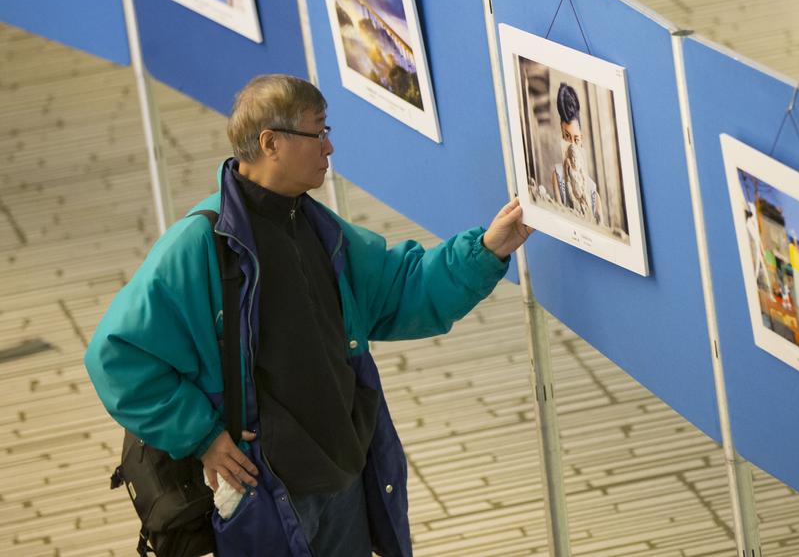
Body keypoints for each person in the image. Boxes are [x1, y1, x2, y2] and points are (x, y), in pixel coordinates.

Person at [84, 74, 532, 557]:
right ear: (270, 143)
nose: (329, 147)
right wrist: (203, 435)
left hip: (342, 478)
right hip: (267, 491)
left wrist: (488, 250)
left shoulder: (318, 229)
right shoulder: (199, 247)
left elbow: (405, 287)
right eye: (317, 132)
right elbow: (116, 357)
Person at [550, 83, 601, 224]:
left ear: (581, 139)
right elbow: (559, 211)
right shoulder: (558, 174)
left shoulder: (591, 188)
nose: (571, 144)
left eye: (576, 138)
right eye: (567, 136)